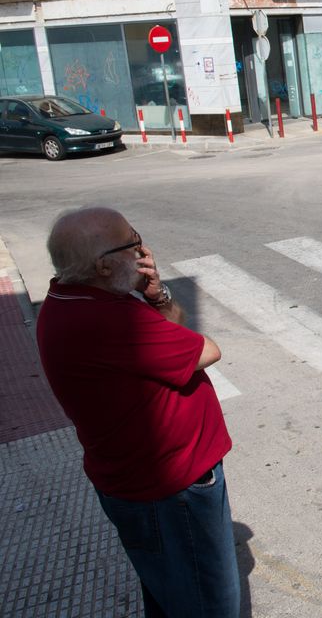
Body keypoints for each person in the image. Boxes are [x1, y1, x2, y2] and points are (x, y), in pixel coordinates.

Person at [36, 207, 239, 618]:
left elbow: (175, 325)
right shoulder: (108, 319)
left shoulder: (75, 297)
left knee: (170, 597)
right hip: (172, 492)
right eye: (133, 243)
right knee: (207, 606)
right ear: (104, 265)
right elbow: (207, 349)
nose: (144, 252)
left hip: (149, 488)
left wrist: (157, 293)